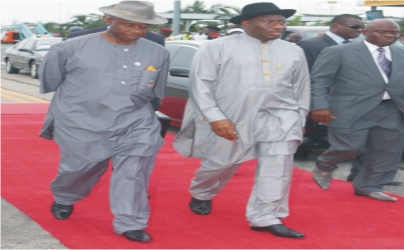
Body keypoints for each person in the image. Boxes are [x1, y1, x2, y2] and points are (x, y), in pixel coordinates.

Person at [173, 2, 309, 239]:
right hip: (232, 115)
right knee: (221, 162)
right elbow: (201, 85)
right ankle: (202, 192)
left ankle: (265, 217)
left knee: (277, 168)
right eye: (269, 21)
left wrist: (300, 117)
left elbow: (302, 87)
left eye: (281, 22)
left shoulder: (294, 50)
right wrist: (215, 117)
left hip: (281, 116)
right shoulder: (216, 47)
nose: (278, 26)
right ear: (246, 23)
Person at [39, 1, 169, 242]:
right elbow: (52, 81)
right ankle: (65, 196)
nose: (136, 31)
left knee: (135, 171)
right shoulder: (68, 49)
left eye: (143, 26)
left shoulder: (157, 52)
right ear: (109, 19)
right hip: (82, 120)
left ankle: (130, 221)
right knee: (81, 168)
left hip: (135, 121)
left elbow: (154, 91)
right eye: (129, 24)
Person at [310, 19, 404, 202]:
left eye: (394, 32)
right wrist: (319, 106)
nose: (390, 36)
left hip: (391, 109)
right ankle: (325, 164)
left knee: (386, 150)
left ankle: (368, 186)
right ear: (365, 32)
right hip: (350, 108)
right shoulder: (339, 52)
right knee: (350, 146)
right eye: (383, 32)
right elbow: (319, 80)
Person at [296, 14, 381, 184]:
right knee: (346, 143)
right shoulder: (311, 45)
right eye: (354, 27)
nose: (360, 31)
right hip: (326, 103)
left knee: (367, 141)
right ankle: (326, 165)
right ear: (335, 26)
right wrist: (316, 104)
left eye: (361, 28)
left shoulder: (360, 47)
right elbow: (306, 77)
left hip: (361, 103)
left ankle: (362, 175)